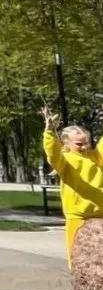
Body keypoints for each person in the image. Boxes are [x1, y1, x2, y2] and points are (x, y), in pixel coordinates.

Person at [41, 106, 103, 263]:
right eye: (79, 144)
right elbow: (53, 154)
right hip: (78, 218)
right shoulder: (65, 161)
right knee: (79, 262)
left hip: (101, 216)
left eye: (86, 143)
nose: (84, 147)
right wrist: (49, 132)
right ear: (66, 143)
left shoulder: (96, 157)